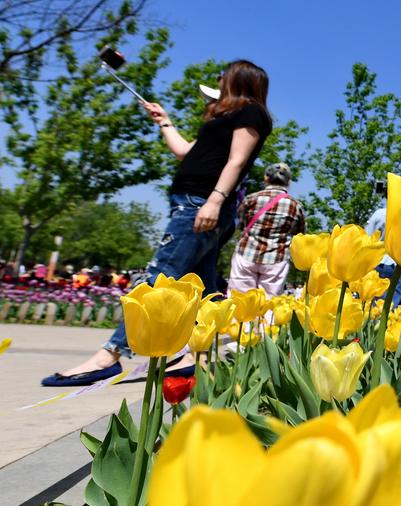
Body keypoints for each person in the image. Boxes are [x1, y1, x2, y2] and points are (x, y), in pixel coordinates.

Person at [42, 60, 273, 387]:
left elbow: (237, 161)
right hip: (193, 203)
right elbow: (187, 152)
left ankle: (109, 355)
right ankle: (187, 357)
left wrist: (215, 200)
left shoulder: (252, 113)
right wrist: (164, 122)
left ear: (240, 80)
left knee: (158, 277)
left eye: (224, 75)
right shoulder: (222, 117)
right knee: (202, 290)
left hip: (201, 204)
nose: (219, 79)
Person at [227, 162, 304, 296]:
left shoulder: (251, 199)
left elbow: (240, 224)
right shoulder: (295, 205)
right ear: (289, 182)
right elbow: (300, 235)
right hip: (276, 258)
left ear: (266, 178)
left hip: (246, 253)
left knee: (239, 299)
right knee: (270, 302)